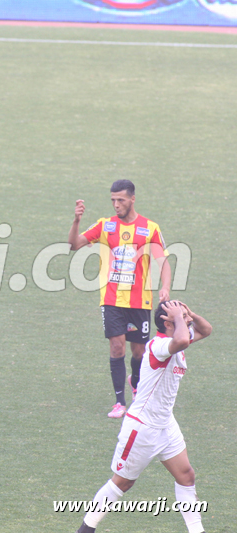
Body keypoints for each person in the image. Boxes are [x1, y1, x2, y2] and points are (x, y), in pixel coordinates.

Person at [74, 300, 211, 533]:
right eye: (182, 316)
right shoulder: (158, 345)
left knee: (186, 476)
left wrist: (188, 314)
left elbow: (206, 330)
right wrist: (179, 317)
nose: (187, 320)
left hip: (165, 424)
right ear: (168, 322)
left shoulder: (179, 337)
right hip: (142, 427)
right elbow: (179, 341)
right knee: (123, 482)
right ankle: (86, 529)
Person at [68, 180, 171, 418]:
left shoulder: (150, 227)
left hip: (139, 301)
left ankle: (135, 384)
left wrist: (165, 287)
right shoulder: (105, 226)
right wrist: (76, 221)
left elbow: (162, 262)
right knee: (116, 346)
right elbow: (74, 245)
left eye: (121, 200)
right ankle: (119, 402)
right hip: (112, 298)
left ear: (132, 199)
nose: (116, 205)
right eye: (113, 200)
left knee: (138, 352)